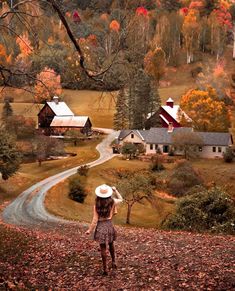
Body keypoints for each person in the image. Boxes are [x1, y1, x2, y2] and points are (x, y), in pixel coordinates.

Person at [85, 184, 123, 275]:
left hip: (100, 226)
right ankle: (114, 262)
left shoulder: (96, 204)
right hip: (109, 225)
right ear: (108, 193)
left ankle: (105, 268)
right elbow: (121, 199)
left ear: (99, 194)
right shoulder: (112, 201)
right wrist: (115, 190)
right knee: (111, 244)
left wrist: (89, 230)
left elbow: (95, 220)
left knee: (103, 248)